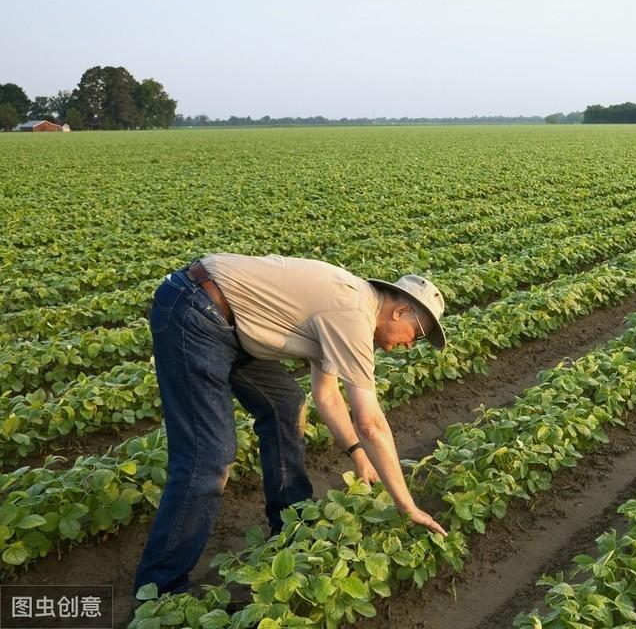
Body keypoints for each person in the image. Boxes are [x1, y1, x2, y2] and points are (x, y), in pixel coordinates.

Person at [134, 253, 449, 597]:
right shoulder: (354, 312)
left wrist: (358, 455)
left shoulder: (353, 309)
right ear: (401, 311)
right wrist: (406, 504)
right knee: (209, 456)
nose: (408, 344)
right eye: (415, 335)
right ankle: (159, 588)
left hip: (229, 321)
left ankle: (291, 526)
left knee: (285, 403)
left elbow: (326, 395)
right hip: (196, 311)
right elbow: (370, 422)